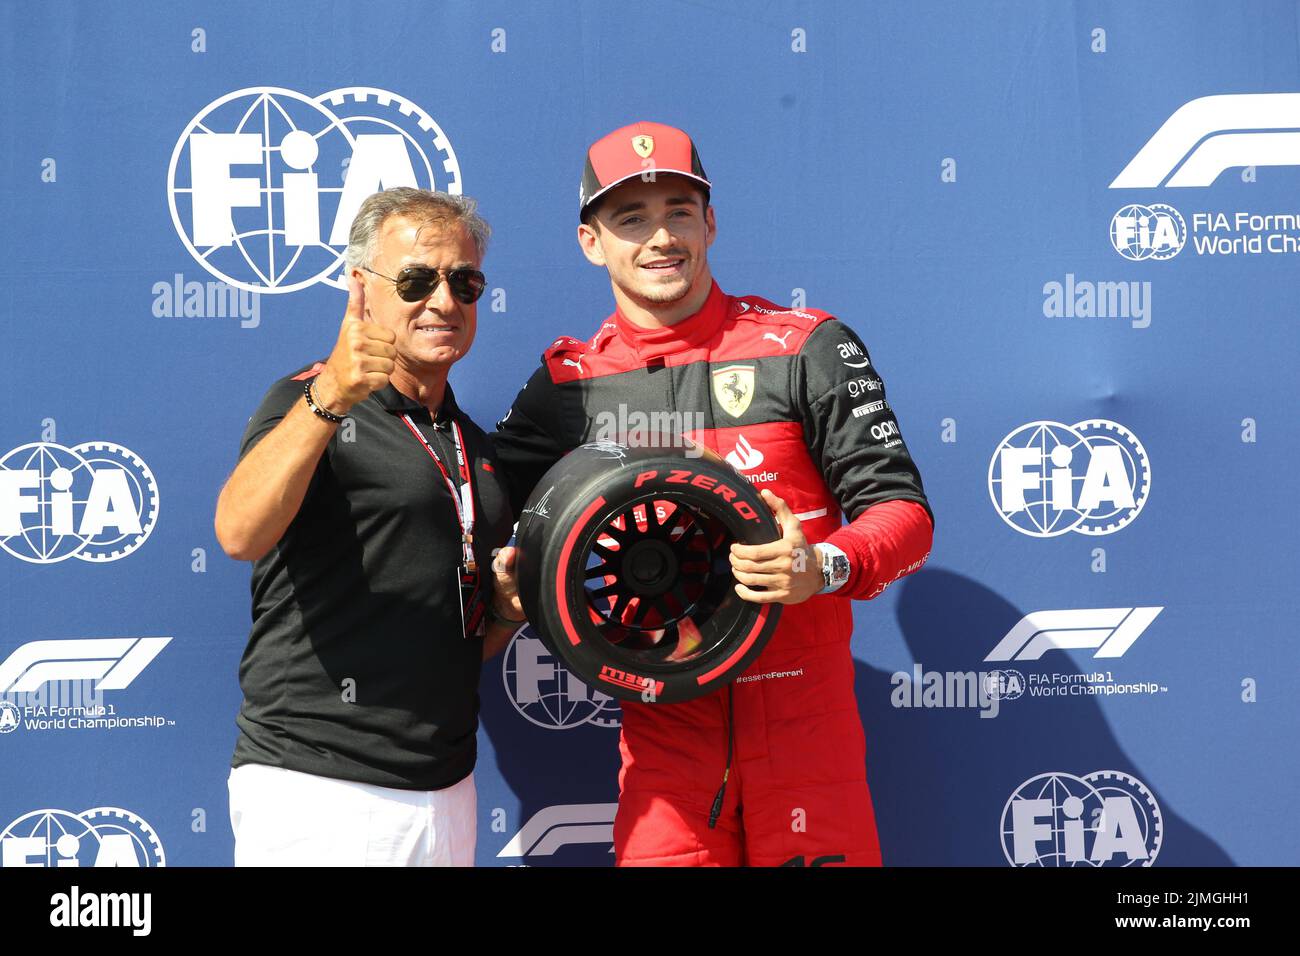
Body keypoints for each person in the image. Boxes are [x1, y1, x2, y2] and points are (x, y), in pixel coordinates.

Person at [492, 122, 935, 866]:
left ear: (711, 223)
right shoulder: (568, 384)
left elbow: (906, 517)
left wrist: (820, 568)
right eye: (631, 217)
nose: (660, 237)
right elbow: (483, 517)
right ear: (590, 241)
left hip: (805, 741)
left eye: (679, 211)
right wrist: (508, 581)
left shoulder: (805, 346)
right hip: (665, 757)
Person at [214, 188, 523, 867]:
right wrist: (331, 398)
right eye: (415, 279)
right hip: (321, 789)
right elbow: (238, 534)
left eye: (464, 281)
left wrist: (502, 613)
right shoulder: (307, 398)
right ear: (362, 287)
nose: (443, 301)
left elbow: (455, 645)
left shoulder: (473, 447)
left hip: (447, 788)